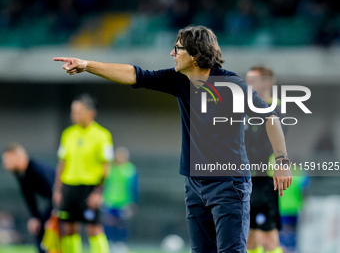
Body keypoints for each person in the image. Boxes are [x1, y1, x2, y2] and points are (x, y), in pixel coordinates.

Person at [53, 25, 292, 253]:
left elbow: (270, 117)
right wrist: (87, 65)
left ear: (197, 54)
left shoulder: (230, 84)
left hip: (229, 185)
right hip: (194, 185)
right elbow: (134, 74)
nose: (172, 53)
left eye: (178, 48)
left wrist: (281, 160)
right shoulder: (179, 80)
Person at [53, 93, 114, 253]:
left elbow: (106, 166)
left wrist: (98, 192)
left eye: (78, 111)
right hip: (69, 187)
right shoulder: (68, 134)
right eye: (73, 111)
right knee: (69, 228)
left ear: (91, 113)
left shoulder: (103, 135)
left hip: (89, 187)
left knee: (93, 229)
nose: (74, 115)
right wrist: (58, 190)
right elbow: (62, 162)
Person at [245, 66, 284, 253]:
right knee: (249, 236)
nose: (247, 85)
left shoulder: (275, 109)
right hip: (248, 180)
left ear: (267, 82)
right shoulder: (246, 110)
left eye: (252, 80)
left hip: (266, 180)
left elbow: (265, 146)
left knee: (268, 236)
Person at [2, 143, 55, 253]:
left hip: (65, 202)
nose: (5, 164)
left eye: (8, 160)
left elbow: (55, 195)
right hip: (54, 203)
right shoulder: (21, 175)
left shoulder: (37, 170)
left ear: (18, 157)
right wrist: (35, 217)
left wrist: (52, 216)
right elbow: (29, 197)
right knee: (38, 227)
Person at [102, 146, 138, 253]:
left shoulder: (130, 169)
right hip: (110, 200)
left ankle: (120, 243)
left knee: (122, 223)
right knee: (109, 222)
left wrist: (133, 202)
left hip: (124, 201)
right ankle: (110, 243)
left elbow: (134, 187)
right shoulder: (109, 168)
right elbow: (104, 184)